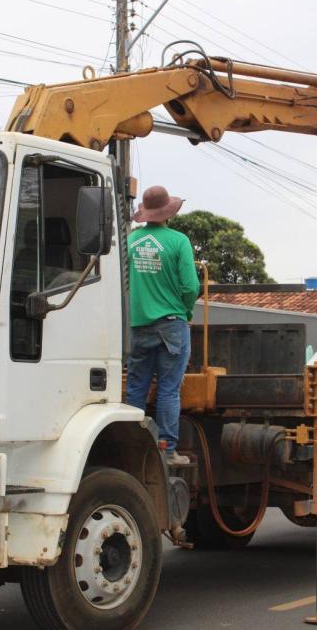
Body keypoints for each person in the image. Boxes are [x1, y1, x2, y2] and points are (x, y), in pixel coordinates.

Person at [125, 185, 200, 465]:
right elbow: (190, 286)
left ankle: (132, 449)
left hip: (137, 325)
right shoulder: (178, 241)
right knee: (168, 389)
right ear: (168, 211)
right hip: (171, 324)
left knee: (136, 388)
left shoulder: (131, 240)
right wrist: (186, 309)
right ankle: (167, 449)